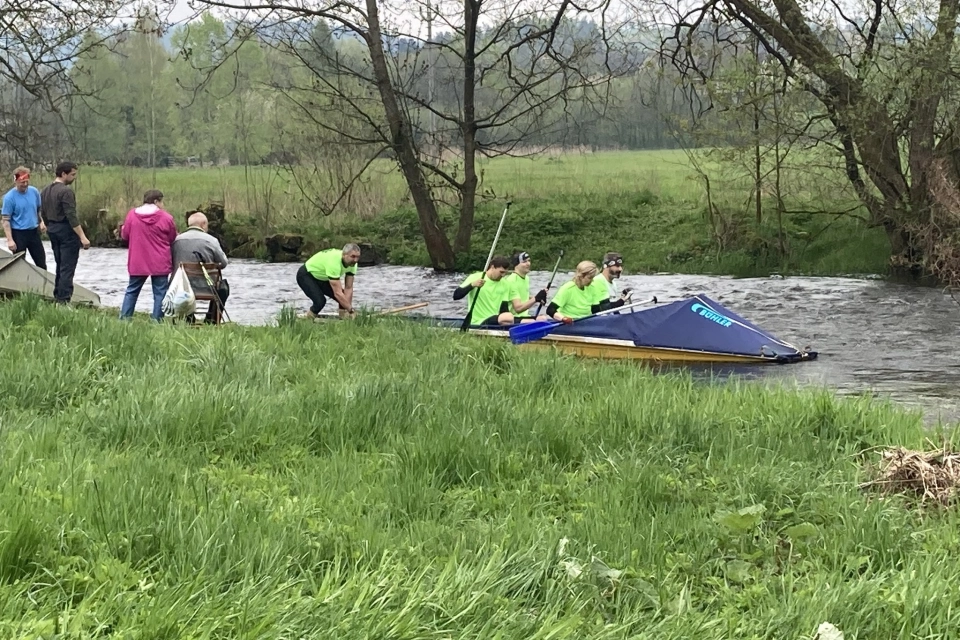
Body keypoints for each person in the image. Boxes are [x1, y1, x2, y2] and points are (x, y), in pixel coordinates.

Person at [118, 190, 178, 321]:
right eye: (162, 201)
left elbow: (125, 235)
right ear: (156, 201)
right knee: (160, 292)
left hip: (138, 260)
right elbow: (172, 237)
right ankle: (157, 320)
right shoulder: (166, 218)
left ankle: (124, 318)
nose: (163, 204)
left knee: (132, 290)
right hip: (159, 260)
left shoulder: (132, 215)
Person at [40, 161, 90, 303]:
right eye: (73, 174)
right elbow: (71, 216)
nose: (74, 178)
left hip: (53, 229)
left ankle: (58, 295)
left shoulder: (45, 190)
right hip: (66, 230)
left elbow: (43, 212)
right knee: (67, 267)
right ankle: (63, 300)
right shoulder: (66, 191)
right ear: (63, 174)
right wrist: (82, 236)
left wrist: (49, 226)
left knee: (59, 264)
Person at [172, 211, 229, 323]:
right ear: (203, 224)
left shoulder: (176, 240)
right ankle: (211, 320)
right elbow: (223, 263)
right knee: (223, 288)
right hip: (206, 287)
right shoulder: (211, 240)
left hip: (179, 286)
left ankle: (188, 318)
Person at [297, 243, 361, 319]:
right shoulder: (334, 262)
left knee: (344, 298)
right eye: (353, 256)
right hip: (306, 275)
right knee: (320, 302)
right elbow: (337, 293)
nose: (355, 260)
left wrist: (348, 309)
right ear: (344, 255)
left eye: (357, 257)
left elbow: (349, 287)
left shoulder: (353, 264)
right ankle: (307, 319)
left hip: (323, 277)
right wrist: (351, 310)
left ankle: (344, 318)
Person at [1, 166, 46, 268]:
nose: (25, 184)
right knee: (19, 265)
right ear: (16, 181)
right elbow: (5, 220)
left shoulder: (34, 192)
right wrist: (10, 240)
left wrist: (41, 222)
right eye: (22, 182)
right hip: (18, 234)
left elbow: (38, 210)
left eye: (27, 181)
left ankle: (42, 283)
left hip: (33, 232)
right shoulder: (9, 198)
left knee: (41, 263)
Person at [452, 256, 515, 326]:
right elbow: (456, 296)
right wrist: (472, 285)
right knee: (508, 317)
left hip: (495, 319)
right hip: (478, 320)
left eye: (505, 273)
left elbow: (504, 308)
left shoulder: (505, 284)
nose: (503, 275)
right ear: (492, 267)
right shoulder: (475, 277)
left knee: (513, 318)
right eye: (501, 272)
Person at [504, 251, 548, 321]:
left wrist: (539, 298)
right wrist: (535, 299)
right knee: (535, 322)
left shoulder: (526, 278)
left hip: (524, 316)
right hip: (513, 318)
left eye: (529, 261)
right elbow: (518, 308)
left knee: (543, 318)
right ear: (516, 264)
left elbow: (522, 297)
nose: (528, 264)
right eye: (524, 262)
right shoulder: (511, 280)